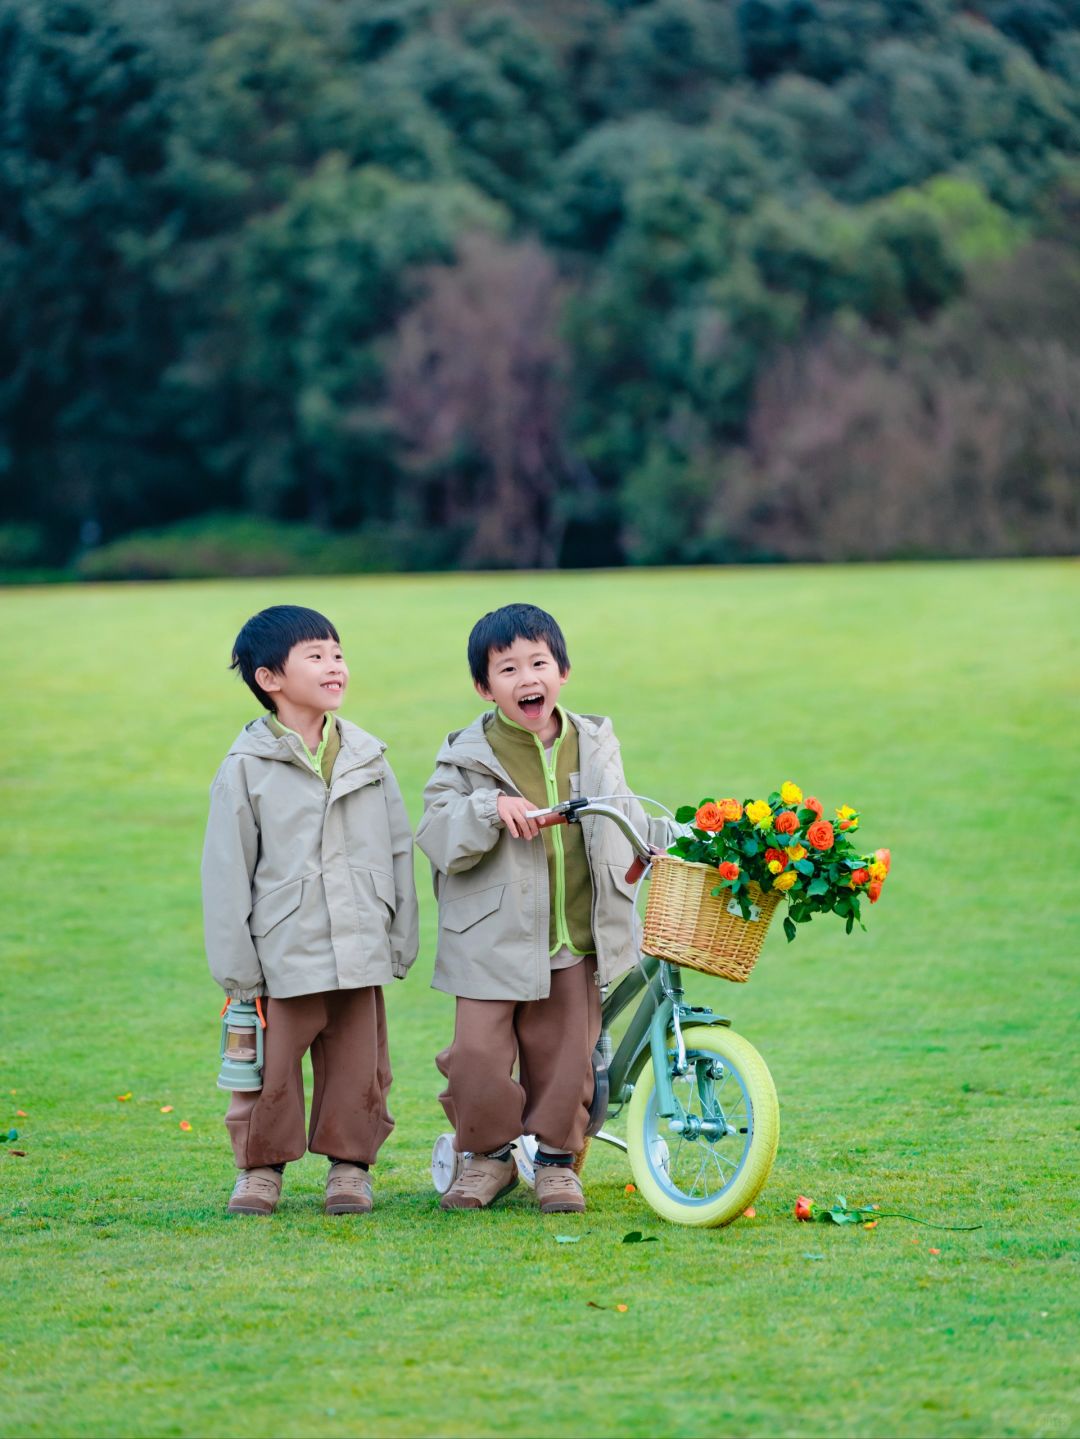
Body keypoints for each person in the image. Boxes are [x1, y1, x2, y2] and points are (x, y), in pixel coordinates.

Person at [416, 602, 671, 1215]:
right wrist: (485, 810)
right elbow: (437, 833)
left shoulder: (594, 743)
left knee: (567, 1059)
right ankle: (487, 1158)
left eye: (538, 663)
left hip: (576, 933)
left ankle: (557, 1162)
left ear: (563, 671)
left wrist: (663, 840)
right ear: (485, 686)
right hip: (491, 937)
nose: (526, 677)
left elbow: (625, 812)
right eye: (507, 669)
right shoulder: (465, 757)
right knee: (476, 1058)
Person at [202, 605, 418, 1217]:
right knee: (267, 1072)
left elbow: (397, 847)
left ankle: (351, 1168)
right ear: (270, 678)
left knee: (360, 1067)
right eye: (316, 656)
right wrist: (238, 966)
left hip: (361, 943)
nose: (334, 666)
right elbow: (225, 870)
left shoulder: (368, 757)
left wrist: (399, 934)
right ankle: (259, 1169)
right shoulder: (246, 767)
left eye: (338, 653)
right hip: (282, 950)